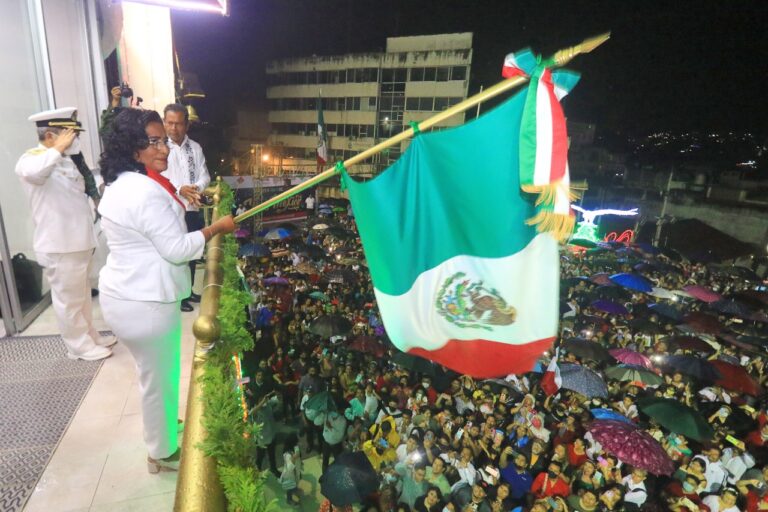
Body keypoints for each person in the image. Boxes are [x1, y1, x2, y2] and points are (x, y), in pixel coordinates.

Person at [97, 108, 235, 472]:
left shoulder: (124, 182)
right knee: (158, 379)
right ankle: (161, 452)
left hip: (126, 294)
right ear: (131, 147)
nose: (164, 148)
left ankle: (164, 430)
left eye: (163, 140)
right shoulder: (143, 191)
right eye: (152, 141)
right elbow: (176, 249)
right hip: (146, 302)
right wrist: (215, 228)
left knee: (155, 375)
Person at [15, 107, 113, 361]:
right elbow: (34, 173)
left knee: (81, 297)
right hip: (59, 245)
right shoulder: (31, 159)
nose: (75, 140)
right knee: (68, 301)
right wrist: (57, 149)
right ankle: (78, 346)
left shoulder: (67, 160)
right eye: (70, 134)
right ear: (50, 135)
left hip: (78, 241)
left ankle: (89, 335)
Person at [162, 103, 211, 312]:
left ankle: (188, 290)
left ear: (187, 125)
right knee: (174, 254)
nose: (174, 128)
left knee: (191, 252)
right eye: (170, 123)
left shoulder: (195, 148)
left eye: (179, 124)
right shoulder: (159, 147)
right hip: (169, 210)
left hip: (191, 208)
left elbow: (205, 175)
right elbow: (157, 177)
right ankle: (178, 296)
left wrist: (196, 188)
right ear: (164, 123)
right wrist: (179, 189)